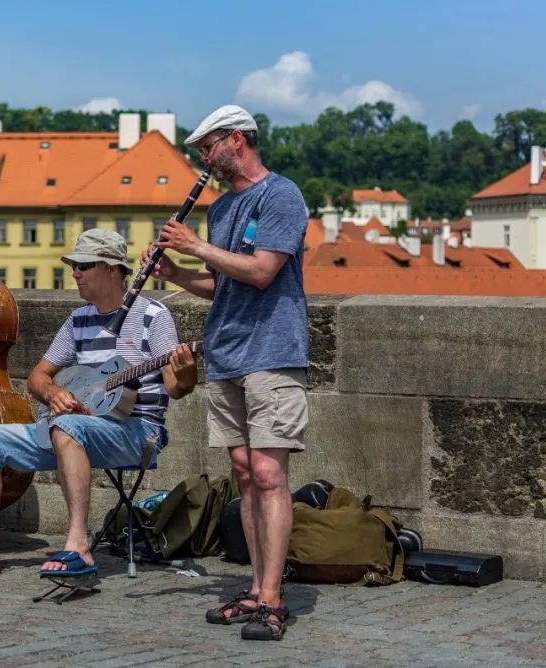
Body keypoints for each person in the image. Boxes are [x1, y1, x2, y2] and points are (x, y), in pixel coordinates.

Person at [0, 229, 197, 580]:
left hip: (137, 430)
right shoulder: (78, 319)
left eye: (84, 265)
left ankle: (78, 546)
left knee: (66, 428)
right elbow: (39, 376)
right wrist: (54, 394)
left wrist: (187, 372)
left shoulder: (153, 316)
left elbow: (176, 388)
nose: (75, 272)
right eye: (73, 265)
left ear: (113, 268)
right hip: (74, 429)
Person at [143, 104, 309, 641]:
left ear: (237, 140)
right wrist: (177, 271)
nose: (202, 158)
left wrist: (196, 245)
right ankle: (256, 588)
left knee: (268, 475)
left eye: (206, 147)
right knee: (243, 475)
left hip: (272, 351)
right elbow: (224, 285)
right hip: (228, 353)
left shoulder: (280, 195)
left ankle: (273, 599)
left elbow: (262, 272)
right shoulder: (221, 208)